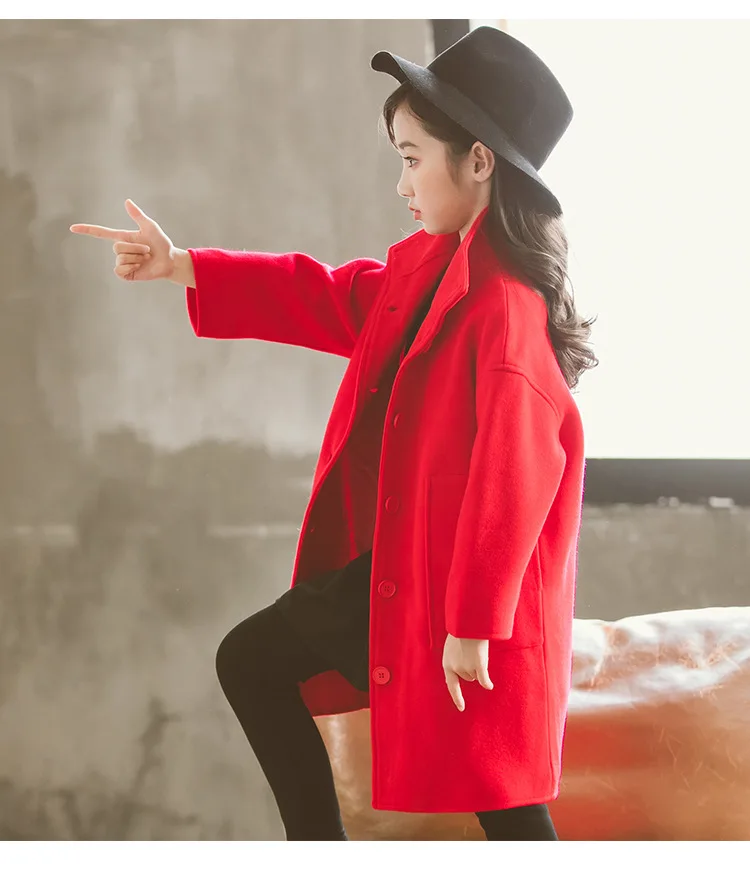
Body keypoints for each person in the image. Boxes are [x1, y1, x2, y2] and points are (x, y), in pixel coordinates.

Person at [70, 26, 597, 841]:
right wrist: (185, 265)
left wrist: (472, 623)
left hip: (453, 594)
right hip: (405, 574)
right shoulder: (432, 272)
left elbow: (517, 475)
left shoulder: (506, 308)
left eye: (413, 159)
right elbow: (323, 293)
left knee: (499, 789)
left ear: (479, 162)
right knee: (257, 662)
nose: (401, 183)